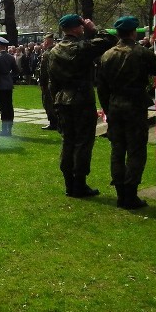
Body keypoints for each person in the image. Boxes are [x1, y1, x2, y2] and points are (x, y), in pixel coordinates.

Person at [48, 14, 117, 198]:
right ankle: (79, 183)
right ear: (76, 28)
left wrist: (55, 102)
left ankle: (69, 184)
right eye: (80, 27)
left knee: (68, 141)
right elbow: (110, 40)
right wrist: (93, 30)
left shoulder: (54, 51)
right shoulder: (81, 47)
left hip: (62, 100)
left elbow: (51, 83)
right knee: (83, 142)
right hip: (81, 100)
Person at [97, 16, 156, 209]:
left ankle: (121, 192)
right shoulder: (142, 53)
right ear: (134, 32)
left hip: (115, 105)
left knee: (117, 149)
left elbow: (102, 87)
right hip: (135, 106)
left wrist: (107, 107)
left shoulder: (107, 55)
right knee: (136, 151)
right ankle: (130, 193)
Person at [0, 37, 18, 136]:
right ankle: (9, 129)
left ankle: (4, 130)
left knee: (3, 109)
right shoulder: (11, 57)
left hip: (0, 86)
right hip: (8, 85)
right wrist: (9, 77)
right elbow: (16, 71)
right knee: (9, 108)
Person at [37, 32, 58, 130]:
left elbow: (43, 71)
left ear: (47, 42)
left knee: (48, 103)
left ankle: (53, 123)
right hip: (57, 81)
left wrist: (42, 84)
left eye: (44, 41)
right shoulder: (57, 50)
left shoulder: (46, 54)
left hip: (49, 82)